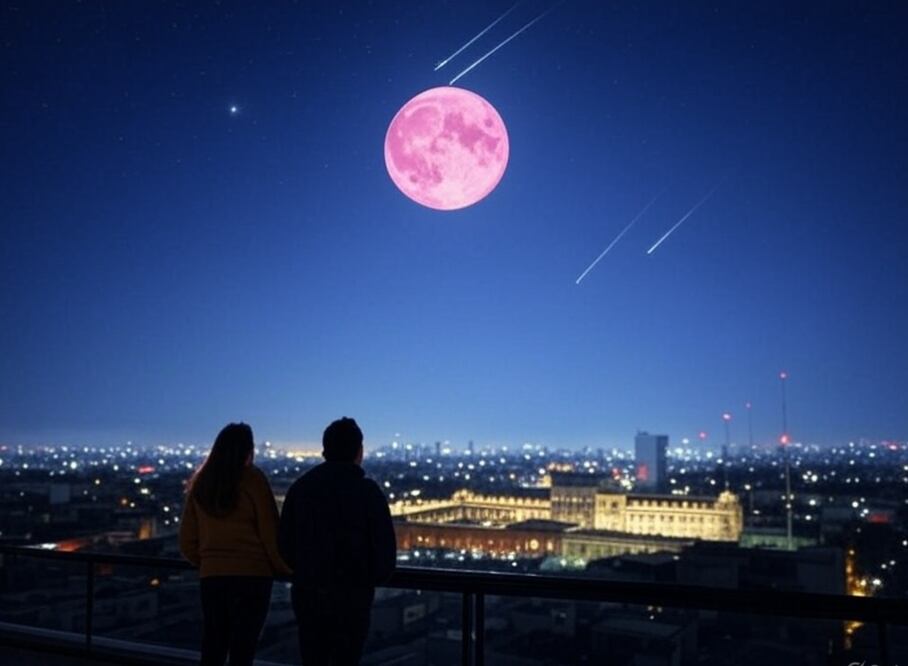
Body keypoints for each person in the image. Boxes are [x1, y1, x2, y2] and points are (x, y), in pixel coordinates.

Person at [279, 417, 396, 666]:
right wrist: (367, 580)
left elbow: (285, 544)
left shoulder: (300, 489)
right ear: (359, 452)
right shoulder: (367, 492)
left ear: (324, 451)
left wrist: (304, 572)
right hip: (352, 598)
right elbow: (385, 552)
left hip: (308, 594)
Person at [179, 422, 291, 666]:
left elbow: (187, 540)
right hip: (253, 577)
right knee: (243, 649)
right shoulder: (253, 480)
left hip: (212, 578)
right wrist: (285, 568)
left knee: (213, 645)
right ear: (248, 449)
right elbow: (271, 533)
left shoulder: (201, 483)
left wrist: (210, 562)